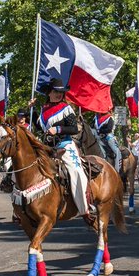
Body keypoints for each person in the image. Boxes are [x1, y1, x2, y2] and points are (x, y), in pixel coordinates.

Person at [31, 77, 92, 218]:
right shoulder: (43, 109)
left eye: (60, 92)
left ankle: (85, 208)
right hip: (48, 148)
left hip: (64, 146)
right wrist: (32, 111)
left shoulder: (66, 108)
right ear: (49, 93)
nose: (58, 94)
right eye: (55, 91)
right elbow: (40, 127)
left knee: (76, 172)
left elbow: (74, 129)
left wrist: (57, 129)